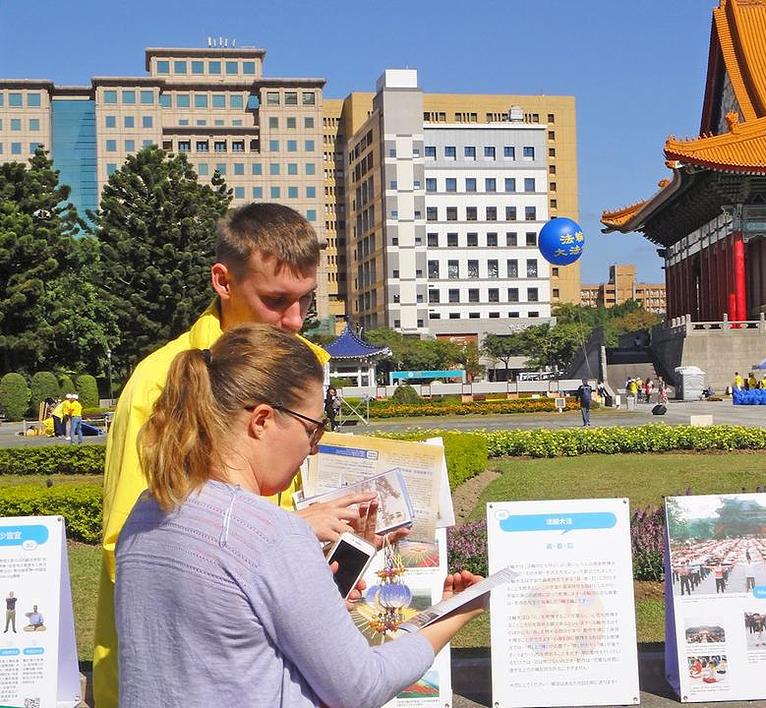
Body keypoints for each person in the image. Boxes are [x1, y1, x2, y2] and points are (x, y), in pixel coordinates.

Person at [115, 324, 485, 706]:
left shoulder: (147, 510)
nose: (312, 450)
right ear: (261, 421)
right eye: (313, 429)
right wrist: (450, 614)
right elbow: (361, 686)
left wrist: (328, 577)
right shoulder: (274, 535)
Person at [94, 204, 362, 707]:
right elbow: (133, 548)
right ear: (222, 280)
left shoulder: (307, 365)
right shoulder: (161, 383)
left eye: (307, 301)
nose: (294, 321)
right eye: (275, 300)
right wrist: (293, 533)